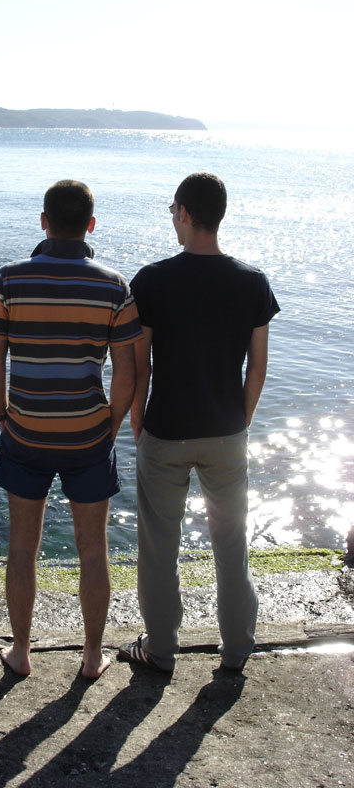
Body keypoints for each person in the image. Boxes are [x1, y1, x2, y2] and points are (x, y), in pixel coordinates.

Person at [0, 179, 142, 678]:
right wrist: (110, 426)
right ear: (90, 224)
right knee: (93, 549)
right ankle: (91, 657)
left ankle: (21, 652)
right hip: (88, 435)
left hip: (24, 432)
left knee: (21, 546)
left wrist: (3, 414)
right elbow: (128, 373)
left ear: (43, 222)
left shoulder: (9, 279)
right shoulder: (114, 286)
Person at [120, 172, 280, 673]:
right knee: (232, 545)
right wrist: (240, 421)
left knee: (159, 547)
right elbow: (258, 368)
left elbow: (140, 366)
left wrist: (137, 419)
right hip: (227, 431)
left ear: (186, 213)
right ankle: (237, 650)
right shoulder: (252, 282)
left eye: (174, 210)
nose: (173, 218)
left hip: (165, 430)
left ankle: (160, 651)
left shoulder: (152, 280)